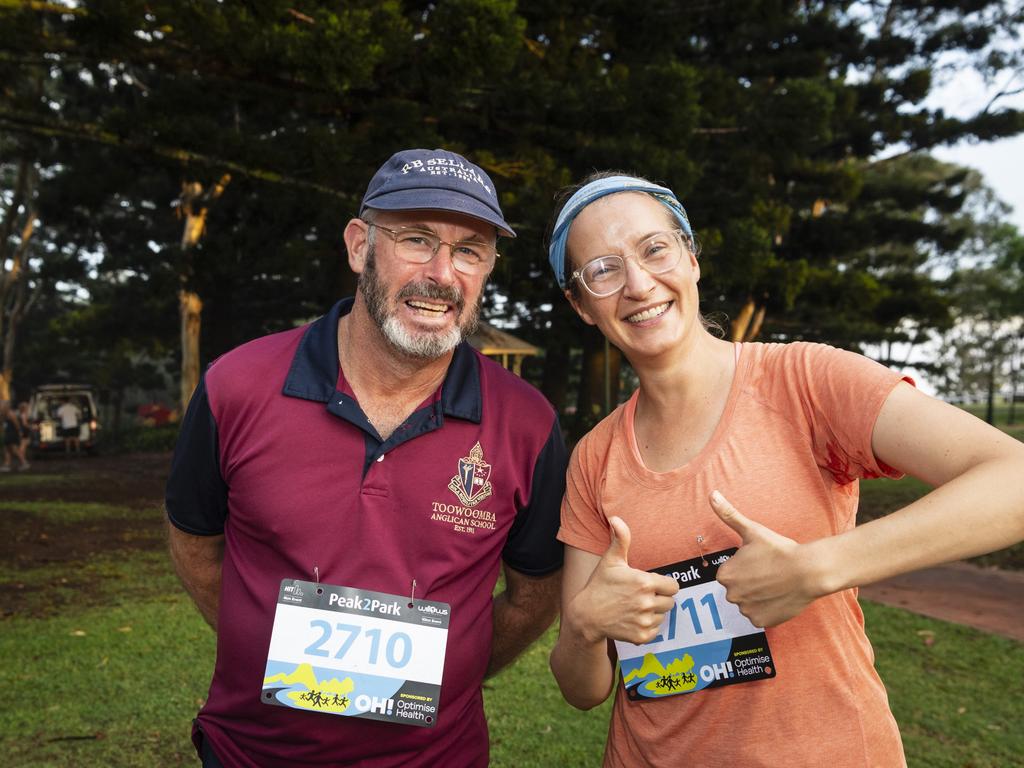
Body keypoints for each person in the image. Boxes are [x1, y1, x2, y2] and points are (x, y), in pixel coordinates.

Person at [544, 172, 1024, 767]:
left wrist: (817, 566)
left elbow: (1014, 480)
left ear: (691, 258)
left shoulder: (806, 380)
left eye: (654, 249)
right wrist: (585, 627)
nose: (639, 284)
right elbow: (582, 689)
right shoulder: (593, 457)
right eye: (604, 270)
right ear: (580, 304)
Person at [165, 148, 567, 768]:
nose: (441, 273)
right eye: (416, 239)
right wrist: (264, 641)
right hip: (252, 753)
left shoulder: (527, 422)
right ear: (359, 247)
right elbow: (194, 540)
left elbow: (535, 594)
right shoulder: (237, 384)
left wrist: (451, 668)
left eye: (469, 250)